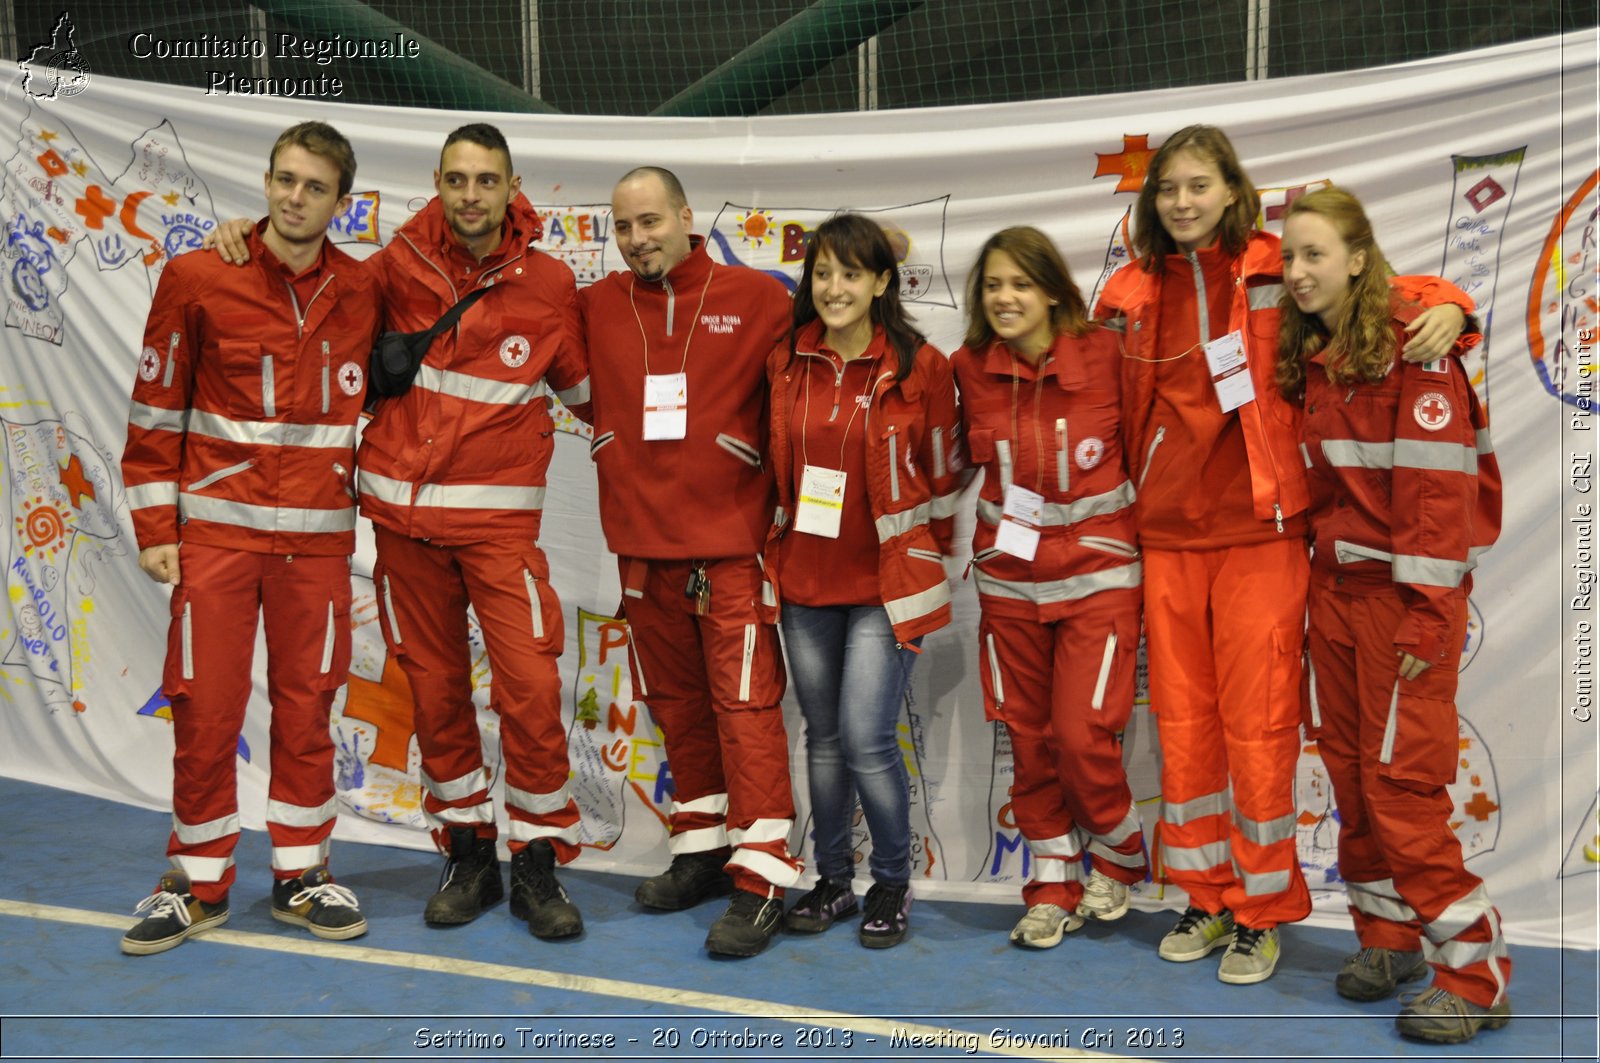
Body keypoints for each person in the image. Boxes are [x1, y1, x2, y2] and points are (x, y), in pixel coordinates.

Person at [1094, 124, 1472, 984]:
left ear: (1233, 189)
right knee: (1184, 727)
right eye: (1168, 189)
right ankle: (1205, 891)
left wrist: (1452, 301)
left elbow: (1376, 286)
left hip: (1264, 532)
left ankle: (1262, 911)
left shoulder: (1275, 264)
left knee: (1260, 726)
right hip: (1164, 539)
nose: (1182, 202)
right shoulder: (1126, 289)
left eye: (1198, 185)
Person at [211, 124, 591, 940]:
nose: (470, 195)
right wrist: (243, 236)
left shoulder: (553, 283)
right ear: (437, 182)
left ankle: (536, 862)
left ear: (512, 184)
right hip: (405, 531)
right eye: (456, 179)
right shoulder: (393, 267)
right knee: (438, 698)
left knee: (529, 690)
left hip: (498, 534)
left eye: (486, 180)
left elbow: (598, 398)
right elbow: (307, 276)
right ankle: (469, 852)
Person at [120, 121, 381, 955]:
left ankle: (301, 872)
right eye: (284, 180)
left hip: (318, 547)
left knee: (311, 706)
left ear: (343, 203)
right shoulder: (199, 275)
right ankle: (196, 878)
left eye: (314, 187)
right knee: (204, 707)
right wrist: (157, 524)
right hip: (218, 542)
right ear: (265, 182)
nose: (293, 198)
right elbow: (156, 410)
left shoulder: (367, 289)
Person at [1278, 187, 1509, 1044]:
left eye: (1316, 255)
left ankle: (1477, 976)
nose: (1300, 273)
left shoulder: (1414, 350)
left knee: (1402, 791)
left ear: (1359, 259)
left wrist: (1424, 616)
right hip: (1334, 597)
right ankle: (1389, 938)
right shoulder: (1316, 351)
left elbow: (1438, 501)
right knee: (1349, 775)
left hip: (1406, 606)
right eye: (1291, 258)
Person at [578, 166, 801, 957]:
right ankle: (701, 845)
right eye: (624, 226)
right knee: (676, 703)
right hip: (640, 548)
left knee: (745, 708)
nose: (638, 239)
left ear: (685, 216)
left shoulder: (759, 297)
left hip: (731, 548)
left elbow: (826, 347)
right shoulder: (596, 305)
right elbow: (571, 386)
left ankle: (766, 872)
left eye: (650, 221)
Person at [762, 213, 962, 949]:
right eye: (822, 272)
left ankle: (891, 881)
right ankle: (833, 880)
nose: (834, 287)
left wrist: (927, 558)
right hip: (803, 580)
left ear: (882, 282)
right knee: (822, 737)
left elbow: (943, 477)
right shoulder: (785, 358)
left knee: (867, 739)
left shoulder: (921, 366)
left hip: (887, 585)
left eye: (851, 273)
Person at [952, 227, 1148, 950]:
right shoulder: (967, 367)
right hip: (1009, 584)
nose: (1005, 298)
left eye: (1021, 284)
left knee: (1080, 734)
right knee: (1030, 743)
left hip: (1099, 578)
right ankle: (1053, 883)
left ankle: (1123, 857)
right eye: (994, 285)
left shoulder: (1109, 355)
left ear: (1054, 291)